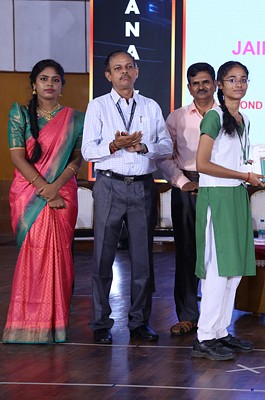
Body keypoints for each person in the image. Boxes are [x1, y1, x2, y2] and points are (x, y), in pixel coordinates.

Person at [81, 50, 173, 344]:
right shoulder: (98, 106)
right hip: (109, 185)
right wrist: (113, 145)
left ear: (137, 71)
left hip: (143, 186)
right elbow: (87, 151)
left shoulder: (150, 105)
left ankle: (139, 323)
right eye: (117, 68)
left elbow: (166, 146)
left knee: (142, 259)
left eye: (129, 67)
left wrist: (143, 148)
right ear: (108, 75)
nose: (124, 72)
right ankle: (100, 324)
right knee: (102, 258)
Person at [3, 59, 84, 343]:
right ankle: (25, 326)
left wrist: (55, 188)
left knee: (59, 257)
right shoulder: (20, 115)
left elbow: (76, 159)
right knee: (32, 256)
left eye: (55, 80)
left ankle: (55, 326)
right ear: (34, 85)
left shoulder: (75, 119)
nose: (50, 84)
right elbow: (17, 157)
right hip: (29, 195)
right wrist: (44, 189)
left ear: (62, 86)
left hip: (62, 195)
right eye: (44, 79)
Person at [191, 61, 264, 361]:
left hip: (236, 195)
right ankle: (204, 336)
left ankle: (220, 331)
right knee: (217, 270)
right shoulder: (214, 116)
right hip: (217, 197)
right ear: (220, 85)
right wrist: (245, 176)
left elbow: (240, 160)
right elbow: (202, 164)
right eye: (232, 79)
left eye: (243, 79)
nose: (239, 84)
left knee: (233, 271)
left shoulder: (244, 119)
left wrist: (257, 172)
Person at [156, 62, 218, 336]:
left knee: (218, 254)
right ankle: (188, 315)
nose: (201, 87)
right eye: (196, 83)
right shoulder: (177, 117)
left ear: (215, 84)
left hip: (221, 188)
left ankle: (216, 318)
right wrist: (183, 183)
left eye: (206, 82)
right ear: (189, 87)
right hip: (187, 189)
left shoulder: (227, 114)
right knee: (187, 253)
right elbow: (165, 157)